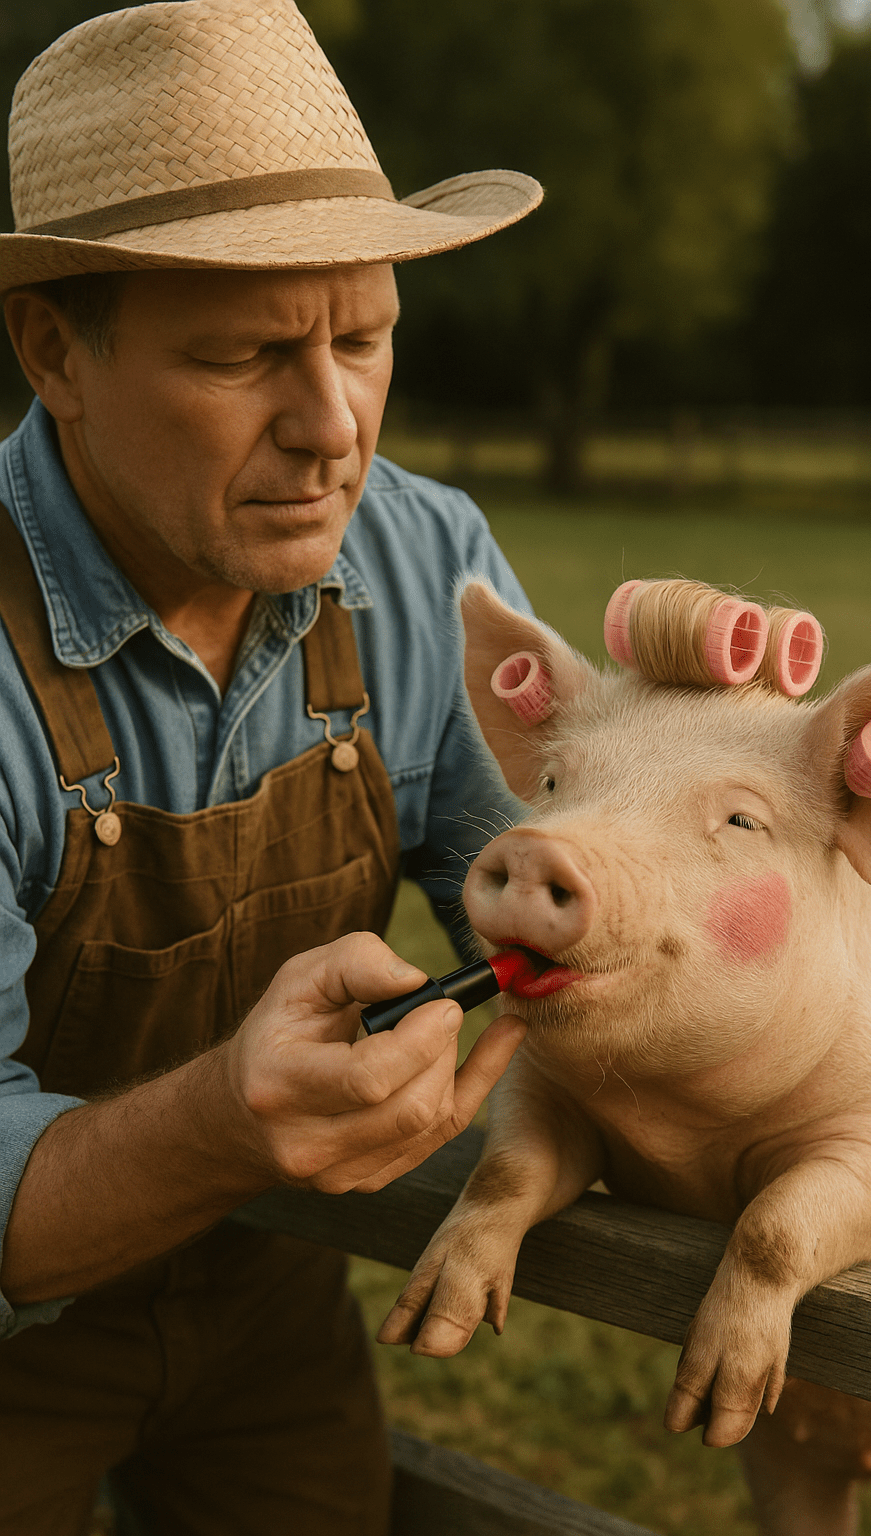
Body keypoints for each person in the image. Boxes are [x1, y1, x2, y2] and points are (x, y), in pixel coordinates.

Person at [0, 1, 543, 1530]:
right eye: (246, 352)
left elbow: (551, 912)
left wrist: (674, 791)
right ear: (56, 349)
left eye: (363, 337)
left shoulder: (429, 560)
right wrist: (226, 1124)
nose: (333, 427)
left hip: (274, 1300)